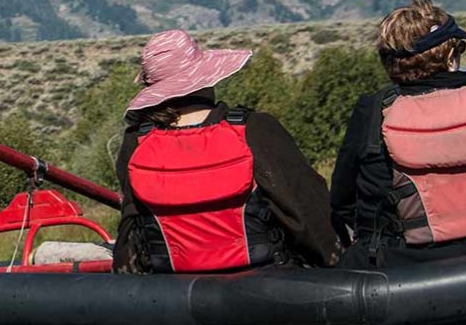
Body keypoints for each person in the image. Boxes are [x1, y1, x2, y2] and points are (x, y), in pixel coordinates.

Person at [113, 30, 339, 273]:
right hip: (263, 286)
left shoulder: (137, 141)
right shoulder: (254, 128)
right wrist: (336, 263)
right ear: (206, 79)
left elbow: (131, 223)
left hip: (171, 292)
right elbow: (305, 209)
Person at [331, 0, 466, 266]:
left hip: (403, 263)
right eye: (460, 48)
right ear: (448, 57)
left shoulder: (373, 110)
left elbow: (342, 200)